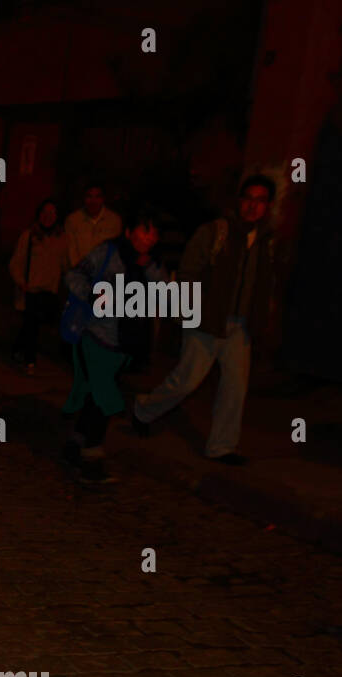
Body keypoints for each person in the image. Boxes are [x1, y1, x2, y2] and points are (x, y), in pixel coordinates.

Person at [132, 175, 280, 465]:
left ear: (268, 205)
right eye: (248, 198)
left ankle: (222, 446)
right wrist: (191, 311)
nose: (253, 206)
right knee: (187, 381)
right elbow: (188, 271)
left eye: (260, 200)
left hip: (241, 326)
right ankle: (143, 409)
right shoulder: (215, 232)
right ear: (239, 201)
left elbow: (268, 283)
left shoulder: (267, 241)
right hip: (206, 321)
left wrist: (262, 320)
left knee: (235, 387)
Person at [62, 204, 166, 483]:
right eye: (146, 232)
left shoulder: (153, 263)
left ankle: (76, 443)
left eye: (155, 233)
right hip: (98, 336)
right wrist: (94, 296)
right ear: (130, 232)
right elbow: (74, 275)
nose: (151, 238)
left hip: (128, 342)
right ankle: (91, 458)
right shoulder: (108, 253)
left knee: (98, 397)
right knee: (103, 399)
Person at [8, 198, 68, 374]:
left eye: (52, 213)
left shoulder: (62, 238)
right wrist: (20, 281)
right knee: (32, 324)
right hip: (31, 288)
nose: (47, 217)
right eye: (44, 212)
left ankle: (18, 348)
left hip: (50, 290)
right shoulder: (29, 235)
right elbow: (16, 262)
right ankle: (29, 360)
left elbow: (65, 263)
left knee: (36, 323)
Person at [65, 182, 122, 269]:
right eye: (89, 196)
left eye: (97, 197)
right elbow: (71, 252)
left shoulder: (114, 221)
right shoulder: (73, 220)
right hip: (80, 274)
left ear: (103, 199)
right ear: (84, 198)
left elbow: (116, 252)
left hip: (105, 275)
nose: (93, 201)